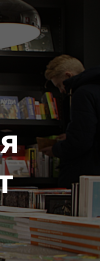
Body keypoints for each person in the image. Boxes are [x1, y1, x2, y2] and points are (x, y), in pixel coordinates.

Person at [40, 55, 100, 187]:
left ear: (68, 75)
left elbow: (81, 142)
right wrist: (71, 135)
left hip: (88, 173)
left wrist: (55, 149)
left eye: (60, 85)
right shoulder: (96, 88)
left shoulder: (82, 93)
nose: (61, 90)